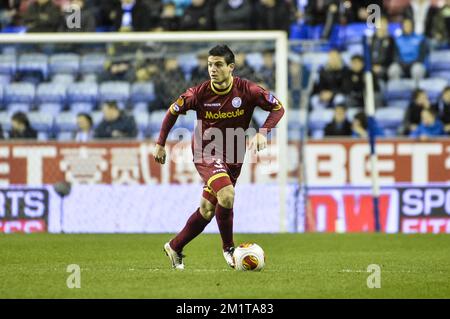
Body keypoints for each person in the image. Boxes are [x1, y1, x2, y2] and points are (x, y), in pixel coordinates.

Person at [153, 45, 285, 270]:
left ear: (231, 67)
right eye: (210, 65)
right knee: (227, 195)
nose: (212, 69)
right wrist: (160, 143)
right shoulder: (198, 93)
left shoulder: (248, 90)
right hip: (206, 151)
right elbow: (172, 111)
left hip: (234, 152)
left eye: (218, 65)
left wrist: (263, 133)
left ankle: (175, 246)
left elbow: (278, 108)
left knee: (207, 209)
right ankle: (229, 249)